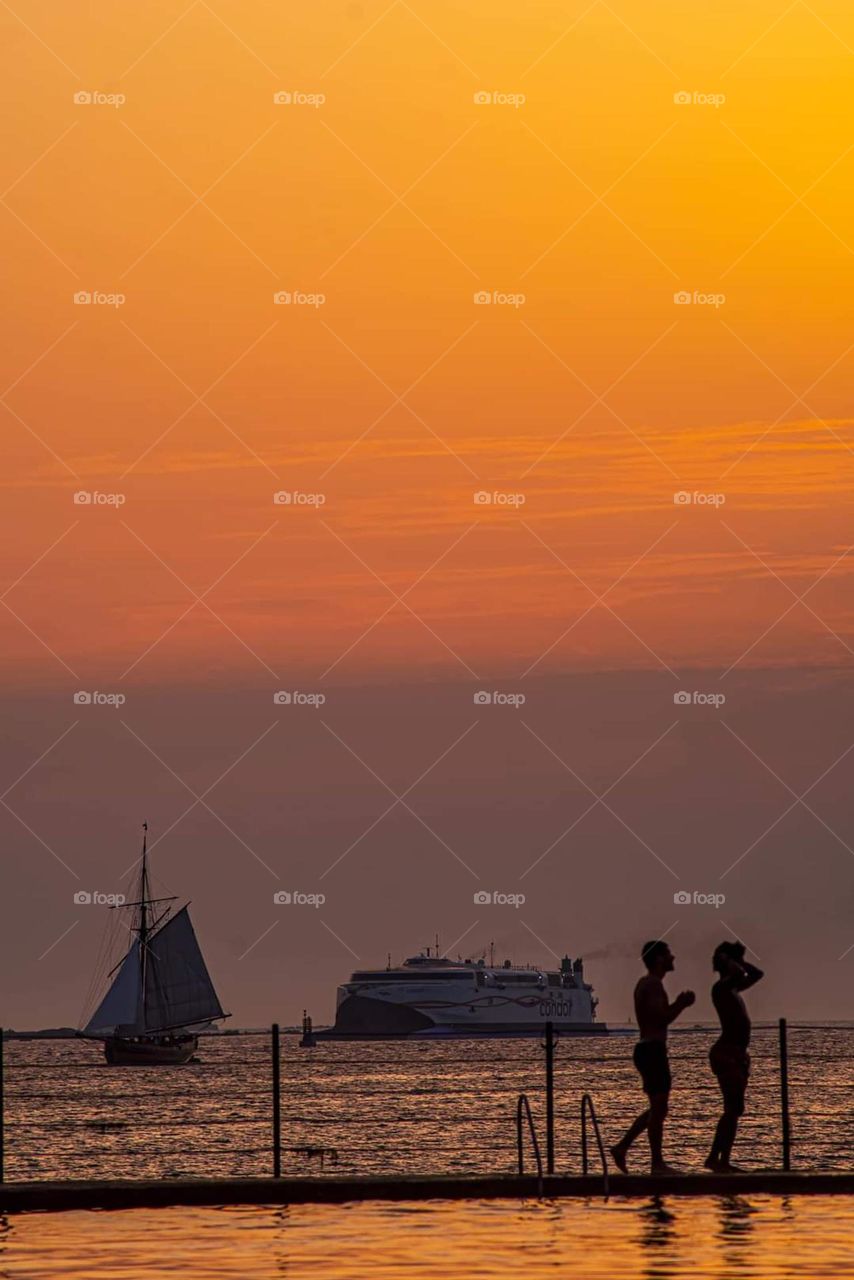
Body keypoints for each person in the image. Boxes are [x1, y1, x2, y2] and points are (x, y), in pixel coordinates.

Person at [610, 940, 695, 1174]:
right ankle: (655, 1163)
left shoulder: (646, 984)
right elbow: (661, 1018)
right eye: (668, 954)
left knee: (659, 1108)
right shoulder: (653, 985)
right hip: (652, 1050)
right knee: (659, 1108)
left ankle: (623, 1147)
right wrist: (681, 1004)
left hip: (649, 1050)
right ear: (658, 958)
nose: (673, 958)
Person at [705, 940, 764, 1172]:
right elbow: (742, 972)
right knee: (732, 1107)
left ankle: (720, 1159)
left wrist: (737, 960)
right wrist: (731, 961)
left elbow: (757, 973)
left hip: (737, 1054)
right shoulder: (720, 988)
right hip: (726, 1053)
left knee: (734, 1109)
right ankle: (717, 1160)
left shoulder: (733, 989)